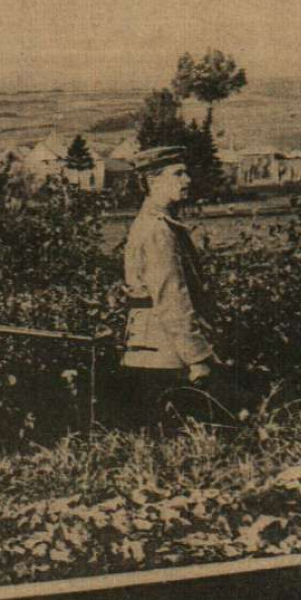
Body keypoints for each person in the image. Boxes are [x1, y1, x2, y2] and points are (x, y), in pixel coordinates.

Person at [118, 146, 219, 428]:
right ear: (152, 181)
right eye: (177, 174)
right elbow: (171, 298)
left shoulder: (157, 225)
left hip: (153, 347)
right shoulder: (157, 230)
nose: (187, 180)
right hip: (165, 353)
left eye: (186, 172)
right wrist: (197, 357)